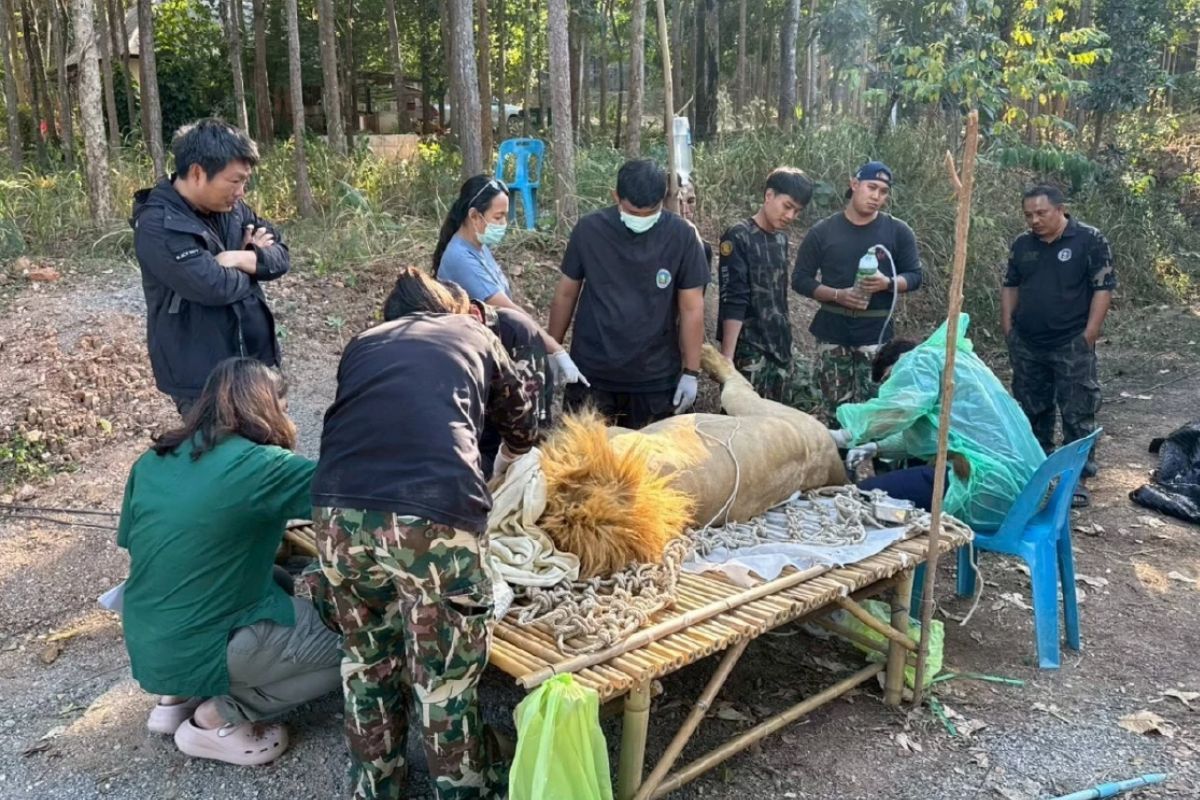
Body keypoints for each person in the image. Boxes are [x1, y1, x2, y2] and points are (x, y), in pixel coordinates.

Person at [309, 269, 537, 800]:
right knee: (445, 675)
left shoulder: (362, 343)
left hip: (337, 514)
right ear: (453, 306)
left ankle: (375, 786)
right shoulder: (475, 333)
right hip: (433, 516)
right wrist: (510, 456)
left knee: (367, 659)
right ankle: (462, 791)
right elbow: (522, 419)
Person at [116, 358, 339, 765]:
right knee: (353, 648)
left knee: (276, 580)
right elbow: (351, 493)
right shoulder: (263, 465)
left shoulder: (153, 459)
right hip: (202, 640)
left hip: (146, 634)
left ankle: (175, 700)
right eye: (285, 409)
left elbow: (136, 544)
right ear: (267, 409)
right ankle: (215, 719)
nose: (289, 420)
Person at [131, 118, 289, 417]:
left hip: (255, 362)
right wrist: (255, 266)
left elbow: (281, 255)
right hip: (204, 379)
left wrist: (240, 258)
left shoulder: (232, 208)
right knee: (221, 457)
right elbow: (213, 286)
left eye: (245, 181)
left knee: (268, 449)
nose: (242, 191)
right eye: (235, 181)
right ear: (197, 173)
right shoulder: (158, 223)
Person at [832, 315, 1045, 530]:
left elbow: (900, 410)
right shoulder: (953, 363)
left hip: (983, 488)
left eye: (890, 380)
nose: (893, 387)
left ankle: (898, 544)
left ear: (898, 365)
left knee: (857, 497)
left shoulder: (919, 363)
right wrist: (876, 447)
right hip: (1024, 492)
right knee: (894, 489)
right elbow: (936, 435)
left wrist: (847, 435)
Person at [548, 158, 710, 429]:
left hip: (654, 379)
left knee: (647, 465)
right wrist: (551, 351)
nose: (641, 219)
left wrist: (691, 372)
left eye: (651, 212)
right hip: (591, 374)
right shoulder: (589, 230)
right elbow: (566, 294)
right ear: (615, 197)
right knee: (583, 463)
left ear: (663, 200)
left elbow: (692, 307)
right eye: (633, 211)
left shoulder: (681, 237)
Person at [1002, 184, 1115, 506]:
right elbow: (1010, 284)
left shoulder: (1089, 240)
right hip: (1027, 342)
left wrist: (1089, 334)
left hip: (1070, 341)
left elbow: (1103, 288)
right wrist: (1008, 327)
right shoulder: (1023, 245)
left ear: (1060, 209)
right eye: (1028, 215)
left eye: (1041, 213)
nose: (1034, 221)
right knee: (1031, 408)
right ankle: (1035, 470)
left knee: (1077, 411)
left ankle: (1074, 478)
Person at [791, 160, 923, 423]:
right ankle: (839, 465)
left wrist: (887, 283)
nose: (876, 196)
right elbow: (800, 280)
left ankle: (876, 462)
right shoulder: (823, 231)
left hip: (876, 336)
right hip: (833, 334)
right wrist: (837, 295)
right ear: (854, 185)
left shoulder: (897, 231)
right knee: (834, 413)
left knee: (876, 414)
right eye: (871, 187)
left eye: (883, 192)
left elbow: (916, 276)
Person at [433, 174, 589, 388]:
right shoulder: (460, 257)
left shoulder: (480, 248)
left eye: (505, 216)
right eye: (498, 217)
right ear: (475, 216)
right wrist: (555, 348)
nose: (504, 224)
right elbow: (507, 308)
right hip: (468, 358)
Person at [717, 167, 818, 410]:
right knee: (743, 423)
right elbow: (734, 298)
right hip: (750, 349)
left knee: (780, 422)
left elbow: (778, 296)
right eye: (787, 206)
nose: (791, 215)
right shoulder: (738, 236)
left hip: (780, 345)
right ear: (769, 195)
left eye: (797, 211)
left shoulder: (781, 239)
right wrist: (727, 360)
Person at [440, 280, 553, 478]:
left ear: (473, 315)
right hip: (464, 445)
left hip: (509, 448)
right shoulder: (440, 341)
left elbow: (530, 429)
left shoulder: (517, 334)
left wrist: (501, 470)